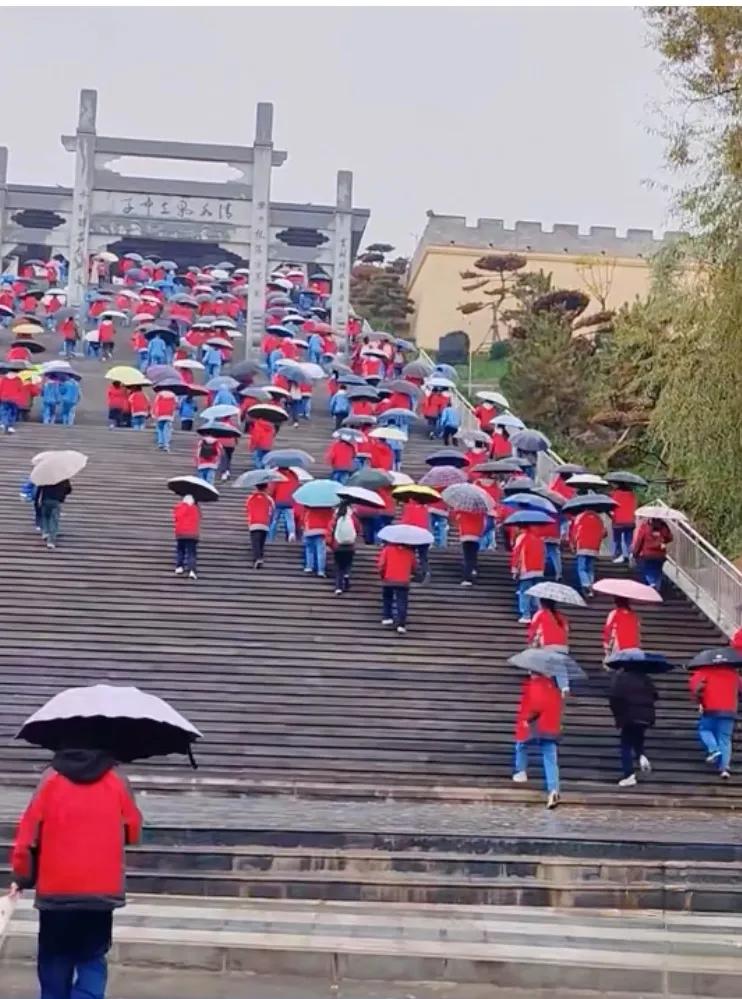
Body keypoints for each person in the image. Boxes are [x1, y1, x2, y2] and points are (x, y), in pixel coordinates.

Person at [10, 747, 142, 999]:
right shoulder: (116, 778)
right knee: (92, 956)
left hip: (55, 890)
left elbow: (28, 835)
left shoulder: (50, 778)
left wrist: (22, 876)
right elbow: (133, 829)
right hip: (101, 890)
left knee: (55, 957)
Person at [512, 670, 562, 808]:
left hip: (537, 725)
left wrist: (528, 719)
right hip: (552, 726)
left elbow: (536, 706)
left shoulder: (535, 685)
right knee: (551, 759)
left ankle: (520, 771)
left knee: (521, 743)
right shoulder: (553, 686)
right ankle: (553, 790)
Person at [690, 661, 742, 780]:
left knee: (705, 730)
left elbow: (695, 688)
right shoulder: (734, 674)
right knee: (724, 738)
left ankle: (713, 750)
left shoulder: (704, 672)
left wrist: (699, 700)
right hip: (729, 709)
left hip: (711, 707)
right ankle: (724, 768)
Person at [609, 664, 657, 786]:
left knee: (625, 745)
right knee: (638, 741)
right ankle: (642, 756)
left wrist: (618, 715)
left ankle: (629, 774)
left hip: (628, 716)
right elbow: (655, 695)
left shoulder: (621, 679)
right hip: (645, 717)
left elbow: (614, 697)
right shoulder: (646, 678)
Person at [378, 540, 415, 635]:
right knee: (402, 602)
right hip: (403, 580)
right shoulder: (410, 552)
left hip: (389, 578)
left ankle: (387, 617)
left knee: (387, 598)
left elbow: (381, 564)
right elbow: (414, 566)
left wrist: (382, 575)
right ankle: (401, 624)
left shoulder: (387, 550)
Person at [511, 526, 546, 624]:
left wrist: (515, 569)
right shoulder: (539, 538)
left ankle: (526, 615)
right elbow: (544, 553)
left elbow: (517, 553)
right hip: (539, 569)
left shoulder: (522, 537)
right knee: (536, 592)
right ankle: (539, 613)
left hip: (526, 569)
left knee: (524, 592)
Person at [569, 508, 606, 597]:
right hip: (594, 547)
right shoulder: (598, 518)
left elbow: (574, 533)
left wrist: (573, 544)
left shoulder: (580, 517)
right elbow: (604, 533)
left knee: (581, 568)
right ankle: (591, 588)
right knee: (590, 568)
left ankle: (586, 585)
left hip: (582, 545)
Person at [327, 499, 360, 593]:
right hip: (350, 545)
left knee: (338, 567)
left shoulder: (336, 516)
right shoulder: (353, 516)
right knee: (348, 563)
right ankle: (347, 575)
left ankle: (338, 587)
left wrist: (329, 543)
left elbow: (330, 530)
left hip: (338, 546)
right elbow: (358, 528)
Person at [632, 518, 673, 591]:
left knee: (647, 570)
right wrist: (663, 539)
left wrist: (635, 553)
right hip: (660, 554)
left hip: (648, 554)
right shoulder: (663, 527)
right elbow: (670, 538)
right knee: (658, 570)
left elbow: (639, 540)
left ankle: (652, 584)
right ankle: (657, 588)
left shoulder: (645, 526)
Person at [400, 499, 431, 583]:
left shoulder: (408, 507)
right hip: (424, 534)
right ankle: (426, 571)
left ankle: (412, 573)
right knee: (423, 556)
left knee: (410, 554)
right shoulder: (425, 508)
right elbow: (427, 522)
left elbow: (405, 521)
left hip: (412, 534)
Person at [453, 507, 485, 587]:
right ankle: (473, 570)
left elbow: (456, 519)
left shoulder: (462, 510)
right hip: (476, 536)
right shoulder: (481, 512)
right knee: (473, 556)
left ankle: (467, 578)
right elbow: (483, 524)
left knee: (467, 558)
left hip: (465, 535)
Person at [36, 479, 72, 549]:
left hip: (45, 499)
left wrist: (37, 501)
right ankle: (51, 541)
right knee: (54, 520)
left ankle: (45, 532)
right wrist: (62, 493)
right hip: (56, 501)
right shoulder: (63, 478)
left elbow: (39, 489)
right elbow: (69, 490)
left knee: (45, 516)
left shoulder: (45, 477)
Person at [245, 482, 274, 569]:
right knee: (261, 542)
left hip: (254, 523)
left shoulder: (251, 498)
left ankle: (257, 558)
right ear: (266, 487)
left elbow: (248, 509)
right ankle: (260, 556)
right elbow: (272, 510)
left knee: (255, 542)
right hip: (265, 523)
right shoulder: (269, 499)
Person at [173, 493, 200, 579]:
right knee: (191, 553)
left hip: (180, 533)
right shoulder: (196, 509)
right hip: (192, 535)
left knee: (180, 550)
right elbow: (200, 517)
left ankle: (179, 567)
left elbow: (176, 517)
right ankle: (192, 570)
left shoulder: (178, 507)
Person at [268, 466, 299, 542]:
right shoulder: (293, 474)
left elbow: (272, 489)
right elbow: (296, 486)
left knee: (274, 520)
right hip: (289, 501)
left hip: (278, 501)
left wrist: (270, 496)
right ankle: (291, 533)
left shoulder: (276, 475)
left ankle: (271, 538)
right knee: (290, 520)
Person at [303, 505, 334, 577]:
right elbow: (330, 520)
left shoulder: (309, 507)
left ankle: (309, 566)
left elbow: (304, 519)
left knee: (309, 550)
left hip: (309, 530)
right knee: (321, 552)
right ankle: (321, 571)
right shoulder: (328, 508)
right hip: (322, 531)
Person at [610, 484, 637, 564]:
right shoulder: (632, 495)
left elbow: (612, 506)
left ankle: (617, 555)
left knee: (616, 539)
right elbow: (635, 506)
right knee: (628, 540)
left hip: (617, 521)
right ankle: (629, 555)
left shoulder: (615, 494)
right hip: (630, 521)